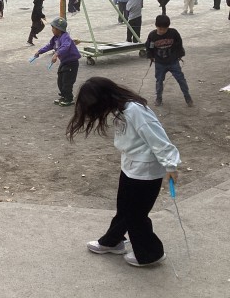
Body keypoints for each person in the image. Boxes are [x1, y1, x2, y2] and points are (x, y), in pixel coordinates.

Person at [66, 77, 180, 267]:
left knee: (137, 215)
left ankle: (151, 253)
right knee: (125, 208)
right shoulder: (120, 109)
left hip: (146, 170)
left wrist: (171, 166)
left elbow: (158, 137)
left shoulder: (135, 110)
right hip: (130, 166)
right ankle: (113, 241)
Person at [145, 15, 193, 107]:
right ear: (156, 26)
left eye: (165, 29)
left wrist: (179, 55)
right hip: (160, 63)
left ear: (168, 27)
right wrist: (150, 56)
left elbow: (179, 44)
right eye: (160, 29)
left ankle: (187, 97)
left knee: (181, 79)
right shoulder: (152, 35)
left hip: (173, 62)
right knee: (159, 81)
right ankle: (158, 98)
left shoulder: (173, 33)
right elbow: (149, 47)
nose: (162, 31)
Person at [34, 17, 81, 106]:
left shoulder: (65, 37)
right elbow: (49, 45)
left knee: (67, 81)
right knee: (60, 80)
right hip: (64, 62)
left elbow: (65, 47)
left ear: (59, 29)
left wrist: (56, 54)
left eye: (53, 28)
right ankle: (63, 96)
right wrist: (40, 51)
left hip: (71, 63)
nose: (52, 30)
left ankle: (69, 98)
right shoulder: (55, 38)